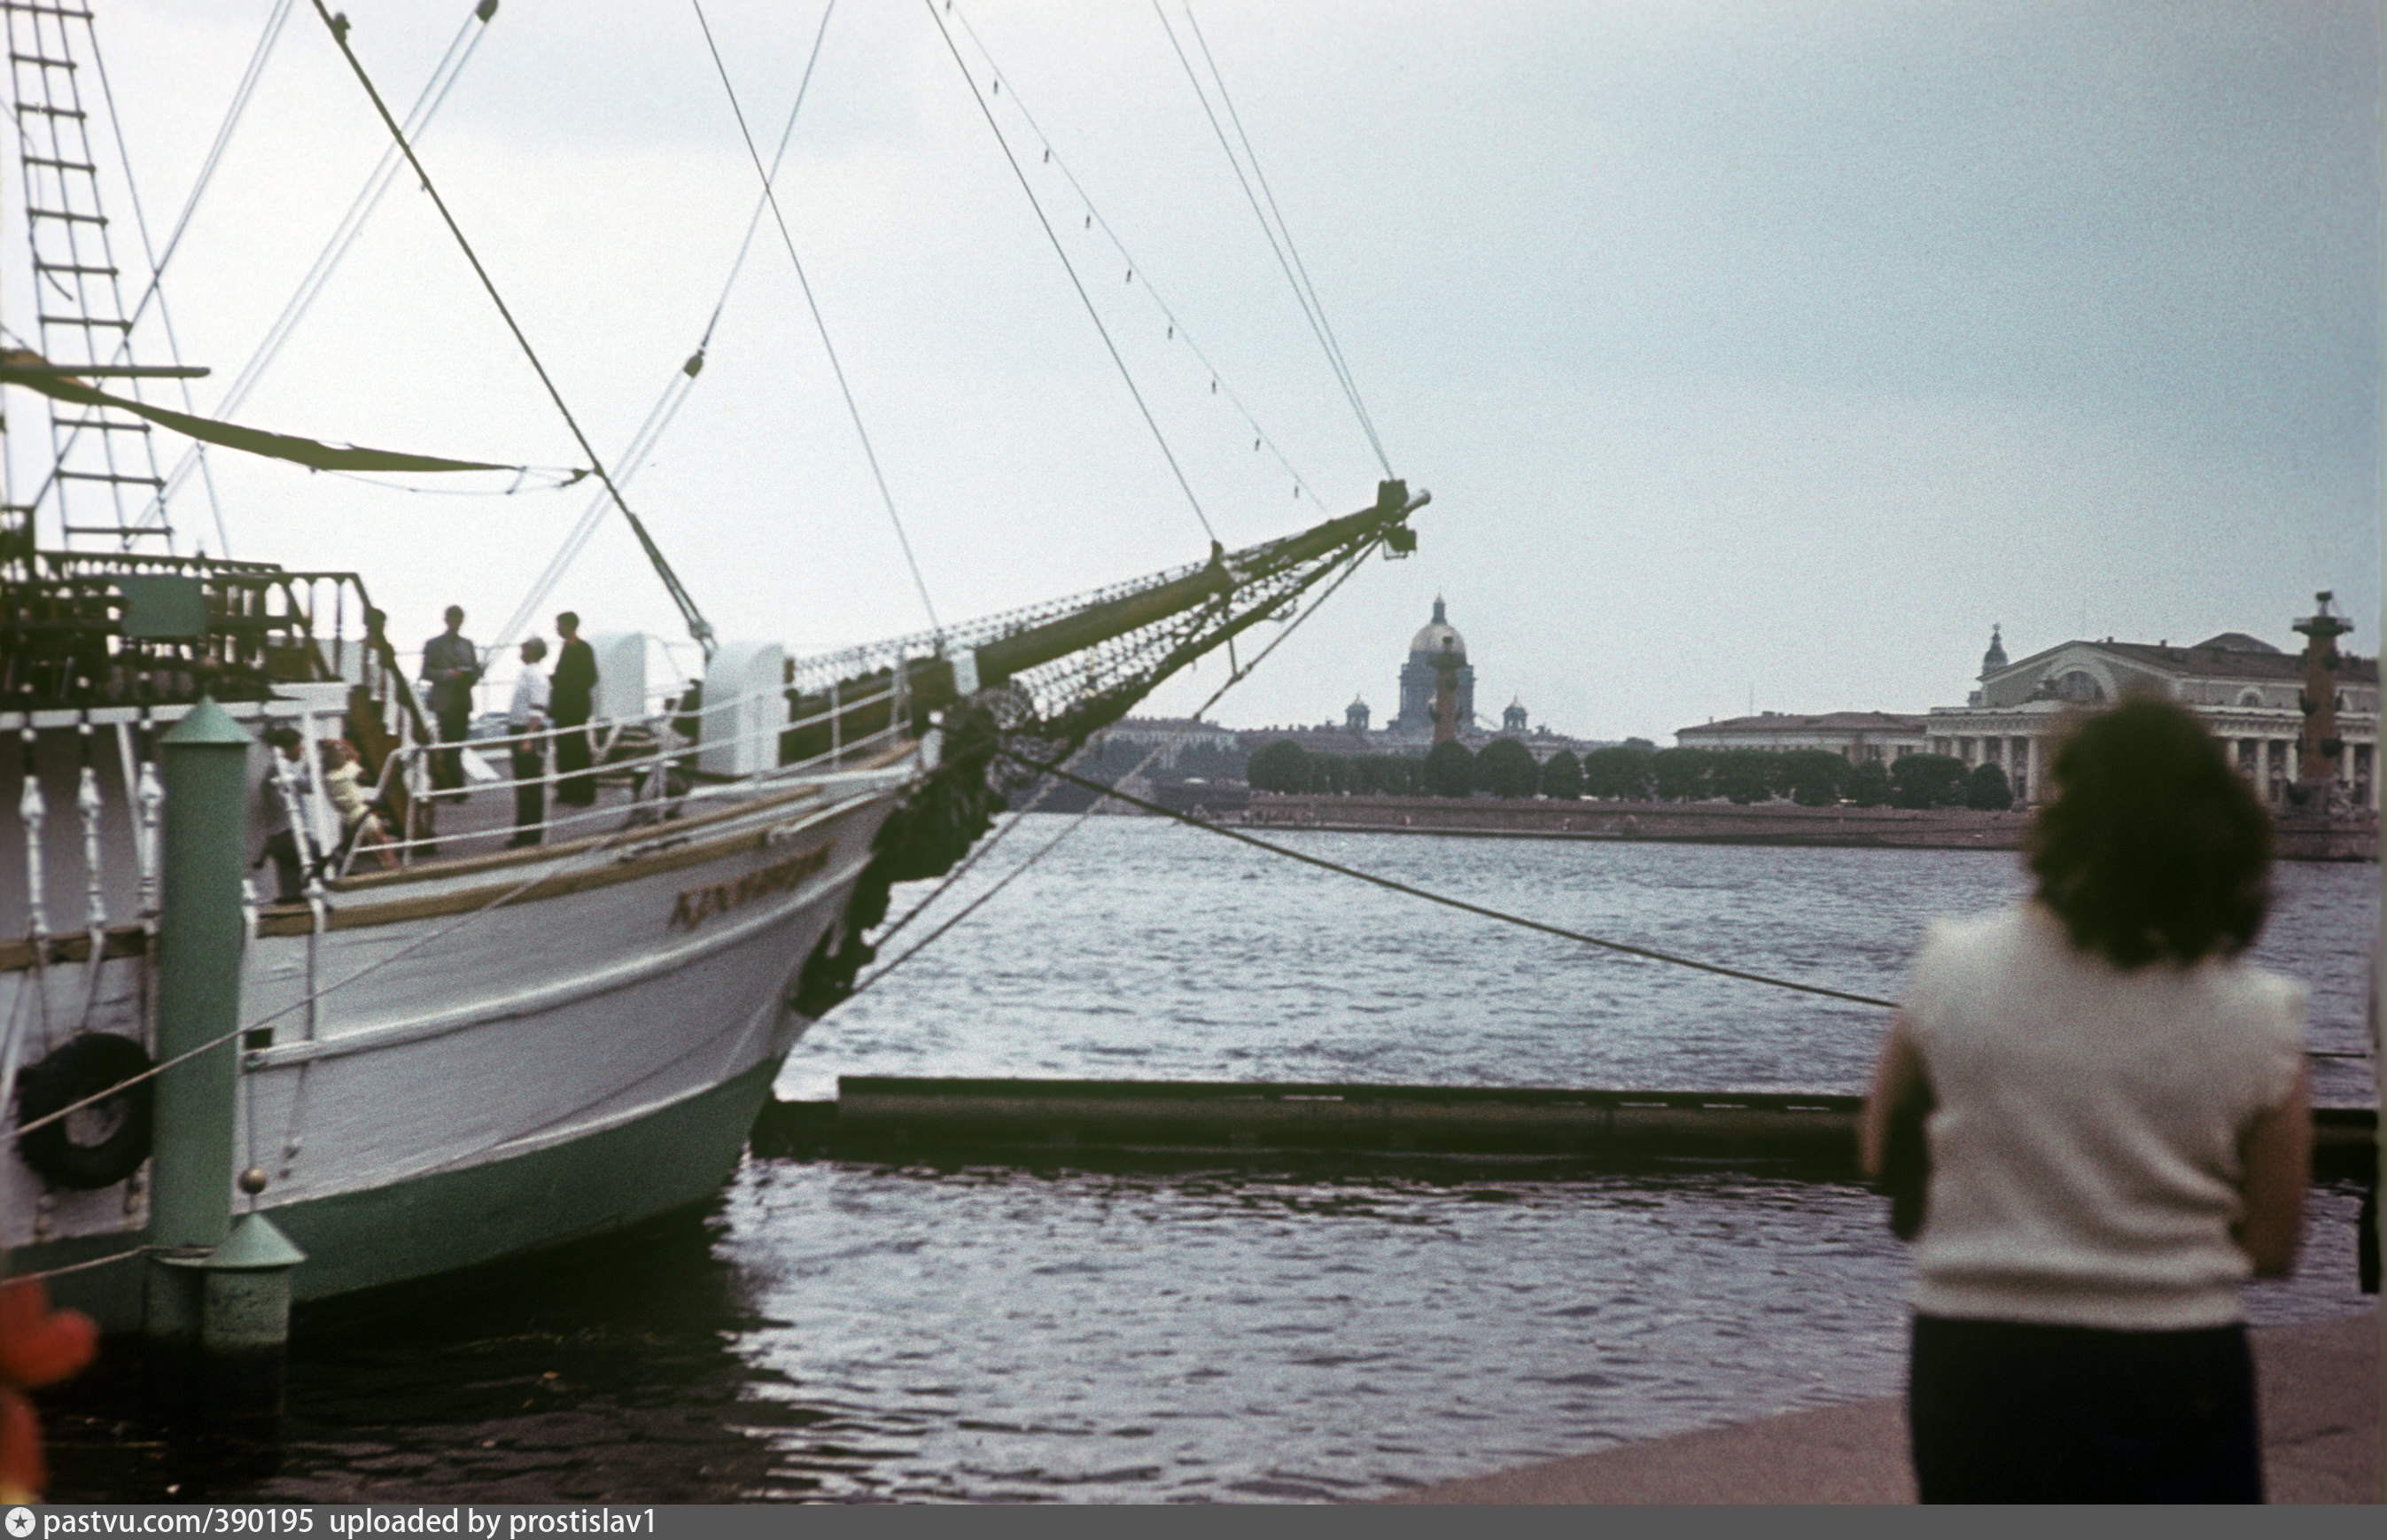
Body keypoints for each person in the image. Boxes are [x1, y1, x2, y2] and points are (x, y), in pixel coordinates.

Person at [1859, 696, 2309, 1504]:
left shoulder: (1950, 966)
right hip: (2173, 1356)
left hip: (1974, 1350)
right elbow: (2273, 1242)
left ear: (2059, 814)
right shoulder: (2262, 1013)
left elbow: (1877, 1151)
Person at [420, 605, 479, 797]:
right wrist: (447, 674)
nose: (456, 622)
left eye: (459, 619)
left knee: (459, 742)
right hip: (444, 701)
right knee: (449, 742)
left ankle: (452, 784)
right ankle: (456, 786)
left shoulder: (468, 644)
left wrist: (473, 674)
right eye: (452, 618)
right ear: (446, 620)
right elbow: (426, 672)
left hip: (462, 700)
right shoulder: (434, 644)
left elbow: (474, 670)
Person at [255, 727, 315, 903]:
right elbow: (308, 786)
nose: (301, 749)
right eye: (298, 745)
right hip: (290, 836)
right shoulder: (281, 767)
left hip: (278, 839)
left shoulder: (276, 768)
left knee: (291, 890)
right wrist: (316, 764)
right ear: (287, 748)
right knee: (326, 860)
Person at [320, 737, 394, 871]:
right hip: (360, 811)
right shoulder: (347, 772)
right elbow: (356, 756)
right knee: (381, 840)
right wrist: (340, 744)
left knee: (371, 841)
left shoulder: (327, 777)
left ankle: (385, 865)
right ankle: (392, 866)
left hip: (348, 816)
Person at [550, 611, 599, 810]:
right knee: (563, 749)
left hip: (575, 707)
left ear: (569, 626)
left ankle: (584, 793)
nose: (557, 629)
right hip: (564, 707)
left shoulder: (582, 648)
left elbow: (591, 677)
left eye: (559, 625)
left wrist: (567, 685)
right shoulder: (567, 647)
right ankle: (567, 790)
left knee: (578, 750)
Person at [506, 637, 552, 848]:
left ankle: (530, 833)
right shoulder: (528, 673)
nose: (520, 650)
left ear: (533, 651)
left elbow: (538, 709)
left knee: (529, 784)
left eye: (524, 647)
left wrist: (528, 737)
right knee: (524, 784)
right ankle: (525, 830)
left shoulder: (535, 675)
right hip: (520, 731)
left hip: (527, 732)